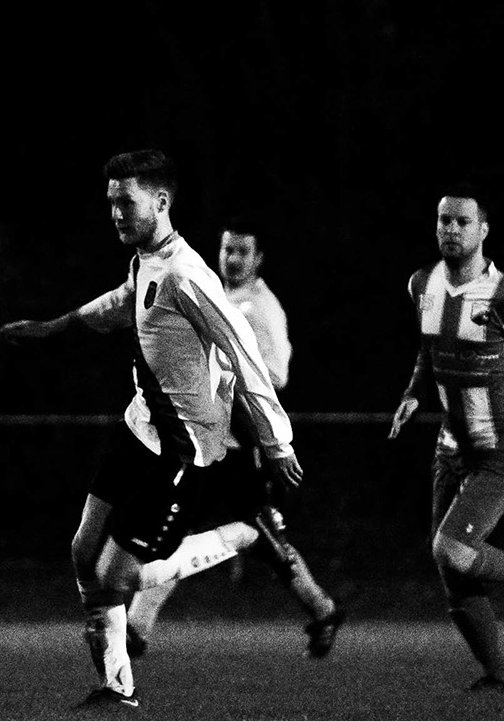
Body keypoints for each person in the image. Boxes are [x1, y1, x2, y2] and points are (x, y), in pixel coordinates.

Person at [0, 150, 303, 709]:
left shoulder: (188, 274)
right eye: (111, 202)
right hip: (140, 428)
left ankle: (237, 537)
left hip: (183, 448)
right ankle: (117, 688)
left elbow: (245, 352)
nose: (116, 213)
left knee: (116, 577)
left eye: (126, 202)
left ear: (160, 202)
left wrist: (276, 440)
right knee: (83, 552)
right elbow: (121, 303)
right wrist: (52, 326)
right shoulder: (145, 262)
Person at [124, 221, 346, 660]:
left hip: (239, 446)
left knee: (257, 535)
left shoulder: (261, 307)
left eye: (243, 251)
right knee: (181, 527)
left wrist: (233, 371)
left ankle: (322, 609)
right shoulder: (213, 291)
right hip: (204, 438)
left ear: (259, 258)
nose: (232, 259)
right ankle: (136, 626)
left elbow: (277, 375)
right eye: (228, 249)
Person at [389, 189, 504, 693]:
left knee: (452, 548)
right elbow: (429, 348)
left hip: (503, 445)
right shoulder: (421, 284)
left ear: (483, 230)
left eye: (462, 222)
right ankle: (501, 678)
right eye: (444, 220)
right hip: (451, 445)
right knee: (450, 567)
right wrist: (414, 393)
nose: (451, 229)